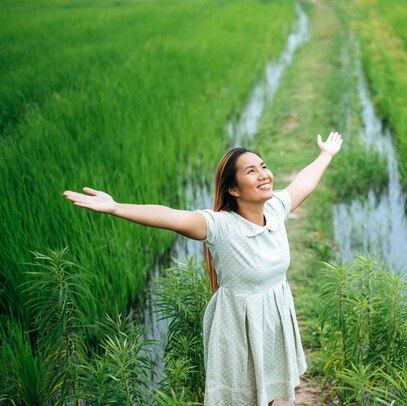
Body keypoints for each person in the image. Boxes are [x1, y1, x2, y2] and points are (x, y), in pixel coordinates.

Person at [63, 132, 343, 406]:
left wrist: (325, 155)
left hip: (275, 316)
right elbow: (170, 216)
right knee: (243, 397)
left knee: (279, 393)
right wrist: (115, 207)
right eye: (251, 171)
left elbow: (304, 183)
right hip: (238, 326)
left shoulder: (276, 209)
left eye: (264, 167)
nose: (263, 175)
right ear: (233, 189)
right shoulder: (219, 225)